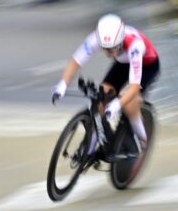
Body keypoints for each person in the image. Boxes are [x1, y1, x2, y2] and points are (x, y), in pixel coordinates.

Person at [52, 13, 160, 158]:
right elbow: (75, 62)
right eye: (105, 48)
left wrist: (117, 104)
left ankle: (141, 139)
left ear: (121, 41)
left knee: (129, 103)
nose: (108, 53)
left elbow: (134, 87)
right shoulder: (96, 38)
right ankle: (90, 149)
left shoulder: (135, 46)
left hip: (147, 66)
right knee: (102, 97)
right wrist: (62, 84)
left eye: (112, 49)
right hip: (122, 64)